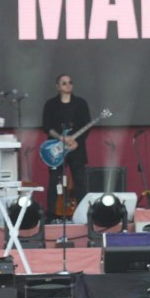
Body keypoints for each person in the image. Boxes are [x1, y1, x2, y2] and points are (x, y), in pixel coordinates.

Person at [42, 74, 92, 221]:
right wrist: (61, 138)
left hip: (77, 149)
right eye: (64, 83)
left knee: (80, 181)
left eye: (70, 82)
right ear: (58, 87)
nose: (68, 85)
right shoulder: (50, 104)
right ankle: (51, 214)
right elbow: (47, 127)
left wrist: (78, 141)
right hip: (56, 149)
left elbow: (86, 125)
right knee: (53, 180)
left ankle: (83, 215)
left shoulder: (81, 103)